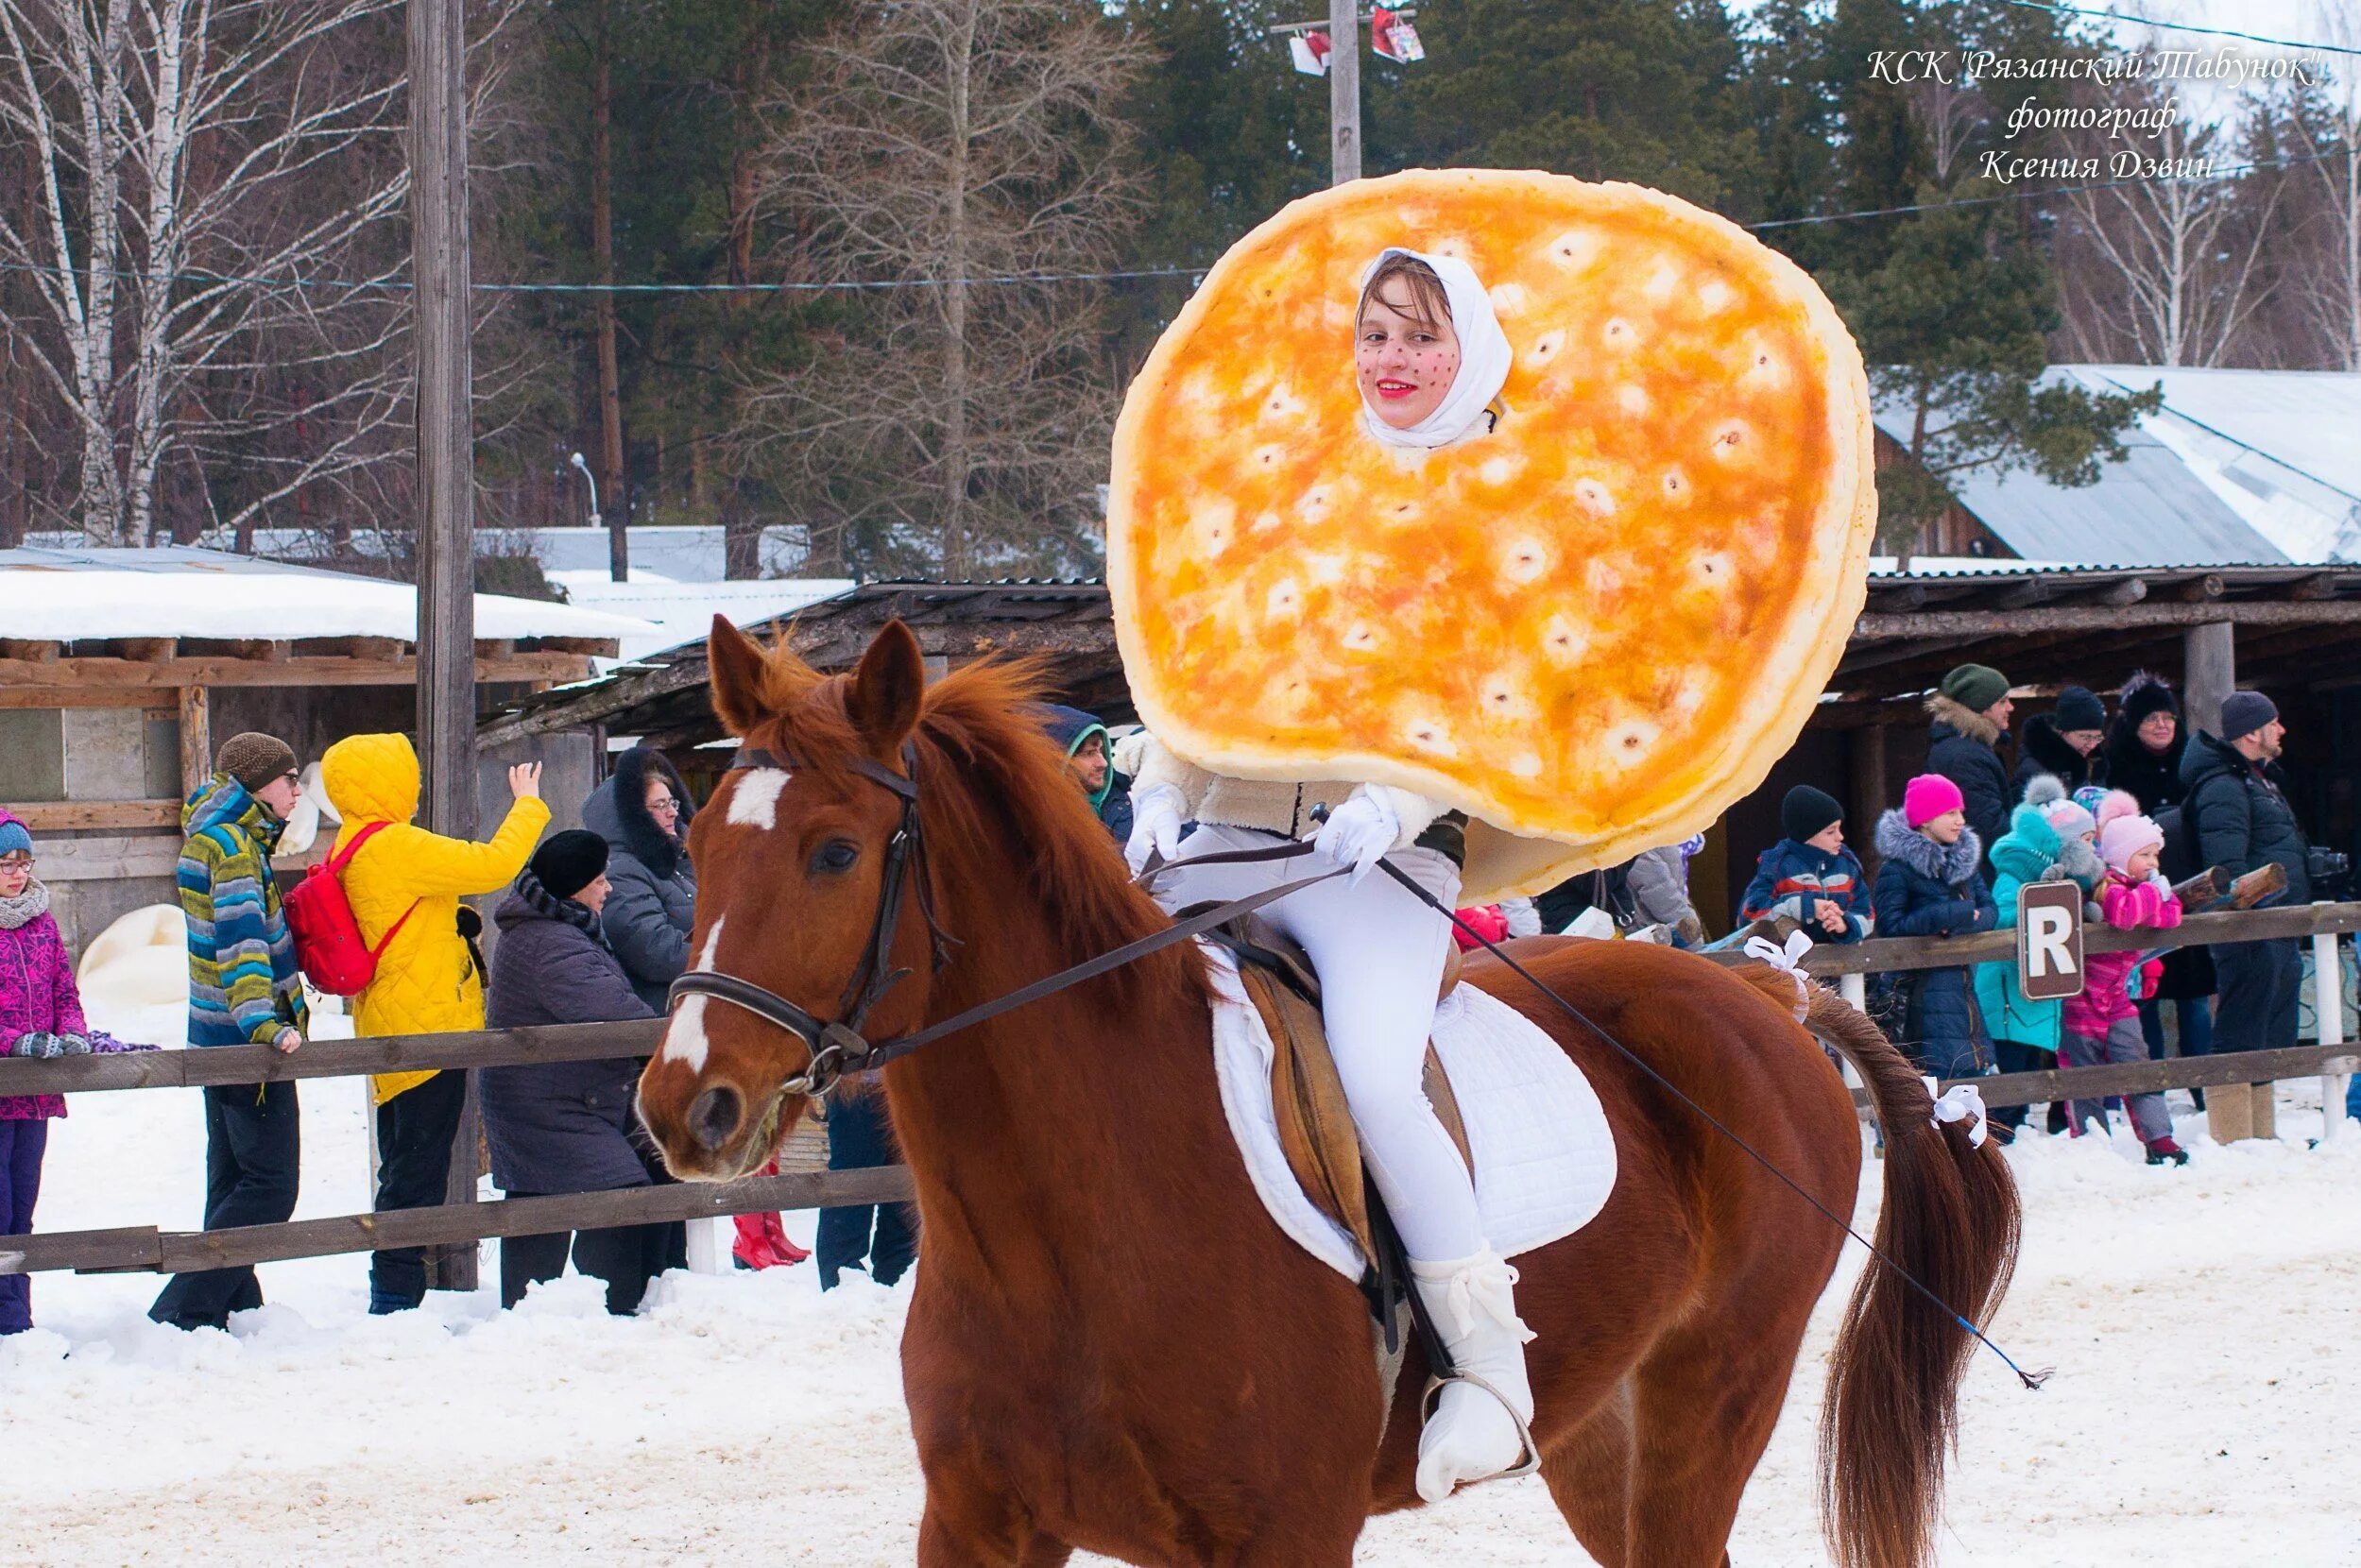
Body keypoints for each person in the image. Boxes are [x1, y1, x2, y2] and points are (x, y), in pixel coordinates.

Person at [1126, 246, 1533, 1505]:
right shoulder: (1295, 487)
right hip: (1230, 837)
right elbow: (1216, 659)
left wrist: (1397, 800)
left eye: (1419, 336)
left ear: (1466, 348)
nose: (1392, 361)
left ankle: (1488, 1369)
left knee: (1369, 1068)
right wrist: (1159, 788)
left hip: (1376, 856)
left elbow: (1497, 701)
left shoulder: (1500, 509)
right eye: (1373, 335)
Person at [319, 734, 549, 1315]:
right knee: (416, 1170)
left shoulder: (352, 843)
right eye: (407, 775)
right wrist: (527, 805)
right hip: (427, 1025)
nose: (416, 787)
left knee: (405, 1161)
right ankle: (395, 1298)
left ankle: (397, 1290)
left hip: (390, 1021)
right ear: (387, 782)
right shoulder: (395, 844)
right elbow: (492, 864)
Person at [585, 745, 804, 1274]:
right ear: (630, 814)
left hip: (694, 1026)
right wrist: (731, 953)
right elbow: (651, 945)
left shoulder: (680, 868)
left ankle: (732, 1245)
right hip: (657, 1033)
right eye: (658, 806)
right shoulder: (625, 870)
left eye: (670, 802)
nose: (671, 814)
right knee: (662, 1164)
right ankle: (659, 1274)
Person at [482, 830, 684, 1312]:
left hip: (563, 1096)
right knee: (620, 1191)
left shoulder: (558, 927)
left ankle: (534, 1304)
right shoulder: (553, 944)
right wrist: (676, 1037)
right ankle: (611, 1308)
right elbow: (614, 1013)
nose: (608, 889)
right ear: (574, 888)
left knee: (541, 1197)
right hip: (548, 1105)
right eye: (599, 881)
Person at [150, 733, 310, 1332]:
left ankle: (230, 1308)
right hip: (245, 1045)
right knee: (271, 1188)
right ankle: (179, 1313)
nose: (297, 792)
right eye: (288, 779)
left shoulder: (210, 836)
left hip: (211, 1037)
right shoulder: (236, 847)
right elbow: (240, 945)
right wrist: (264, 1024)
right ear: (256, 785)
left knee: (231, 1186)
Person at [2181, 692, 2310, 1073]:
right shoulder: (2224, 786)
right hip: (2250, 932)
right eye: (2274, 723)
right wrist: (2254, 922)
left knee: (2271, 1042)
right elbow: (2227, 868)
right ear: (2252, 734)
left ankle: (2261, 1133)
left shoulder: (2261, 780)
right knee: (2241, 1039)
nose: (2282, 730)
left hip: (2276, 928)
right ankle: (2234, 1131)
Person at [2096, 672, 2214, 1072]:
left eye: (2168, 717)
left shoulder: (2193, 767)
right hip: (2139, 895)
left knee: (2195, 995)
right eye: (2152, 719)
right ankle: (2152, 1076)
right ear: (2135, 725)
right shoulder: (2116, 770)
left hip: (2189, 893)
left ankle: (2202, 1082)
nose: (2162, 726)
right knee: (2142, 992)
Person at [1974, 777, 2104, 1136]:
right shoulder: (2015, 873)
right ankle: (1997, 1141)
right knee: (2012, 1076)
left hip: (2037, 991)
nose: (2094, 850)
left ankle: (2013, 1139)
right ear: (2065, 843)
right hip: (2010, 991)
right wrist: (2038, 903)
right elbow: (2000, 919)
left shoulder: (2065, 879)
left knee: (2029, 1068)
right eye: (2087, 841)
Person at [2060, 812, 2189, 1165]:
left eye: (2155, 856)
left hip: (2117, 998)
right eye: (2144, 855)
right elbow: (2125, 914)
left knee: (2137, 1065)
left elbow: (2172, 914)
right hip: (2082, 999)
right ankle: (2091, 1143)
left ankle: (2158, 1137)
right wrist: (2153, 894)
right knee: (2084, 1075)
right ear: (2121, 854)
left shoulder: (2138, 888)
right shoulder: (2106, 885)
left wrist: (2154, 897)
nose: (2153, 863)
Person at [0, 811, 84, 1333]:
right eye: (5, 862)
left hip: (35, 1094)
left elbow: (63, 991)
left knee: (22, 1213)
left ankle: (17, 1320)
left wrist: (72, 1029)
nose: (16, 872)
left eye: (23, 861)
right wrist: (15, 1043)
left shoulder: (42, 924)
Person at [1871, 775, 1996, 1080]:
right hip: (1919, 993)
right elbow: (1891, 925)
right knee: (1933, 1079)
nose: (1961, 821)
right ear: (1926, 819)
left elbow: (1990, 911)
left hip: (1962, 987)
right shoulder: (1897, 870)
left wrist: (1960, 922)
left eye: (1960, 812)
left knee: (1970, 1080)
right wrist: (1951, 915)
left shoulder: (1964, 862)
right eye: (1951, 813)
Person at [814, 1077, 917, 1292]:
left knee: (906, 1188)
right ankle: (842, 1287)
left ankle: (896, 1282)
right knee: (851, 1184)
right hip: (856, 1083)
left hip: (907, 1082)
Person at [1739, 786, 1873, 943]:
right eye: (1831, 832)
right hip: (1789, 964)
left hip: (1842, 963)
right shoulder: (1777, 866)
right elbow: (1749, 915)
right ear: (1806, 835)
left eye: (1839, 829)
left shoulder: (1847, 867)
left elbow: (1867, 915)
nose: (1840, 837)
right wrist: (1806, 907)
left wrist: (1844, 925)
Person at [1925, 663, 2014, 877]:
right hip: (1979, 878)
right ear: (1983, 708)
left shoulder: (1967, 748)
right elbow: (1987, 827)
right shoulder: (1966, 757)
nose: (2010, 708)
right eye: (2002, 701)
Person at [1041, 705, 1133, 846]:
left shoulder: (1127, 804)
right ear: (1060, 761)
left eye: (1101, 750)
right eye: (1089, 753)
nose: (1103, 763)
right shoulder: (1044, 831)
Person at [2013, 685, 2105, 798]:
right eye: (2085, 737)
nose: (2092, 745)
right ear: (2063, 732)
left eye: (2097, 737)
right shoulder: (2035, 771)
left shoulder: (2094, 762)